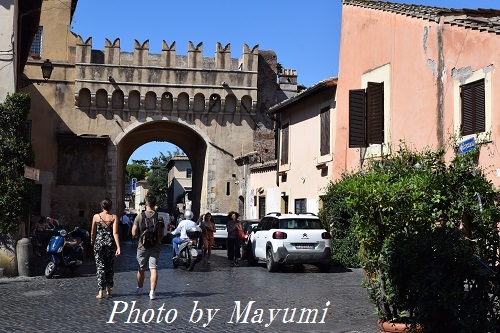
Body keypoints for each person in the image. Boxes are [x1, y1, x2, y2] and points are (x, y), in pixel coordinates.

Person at [132, 195, 165, 300]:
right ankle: (152, 292)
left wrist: (138, 236)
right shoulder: (159, 217)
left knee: (141, 268)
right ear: (155, 204)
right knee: (153, 269)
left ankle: (140, 288)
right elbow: (162, 233)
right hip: (155, 246)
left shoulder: (139, 216)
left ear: (146, 204)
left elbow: (133, 233)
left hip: (142, 246)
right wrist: (158, 240)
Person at [90, 198, 121, 299]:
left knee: (100, 267)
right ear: (110, 206)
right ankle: (108, 289)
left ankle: (100, 292)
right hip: (110, 244)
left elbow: (93, 231)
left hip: (99, 243)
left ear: (102, 206)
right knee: (109, 266)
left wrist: (92, 240)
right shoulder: (113, 217)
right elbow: (115, 233)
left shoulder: (96, 217)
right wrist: (118, 247)